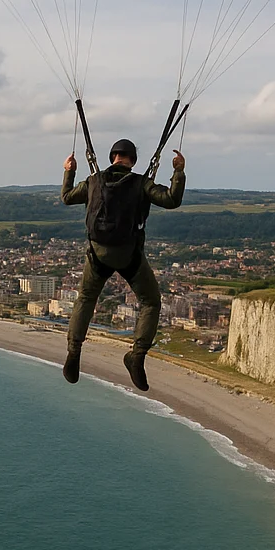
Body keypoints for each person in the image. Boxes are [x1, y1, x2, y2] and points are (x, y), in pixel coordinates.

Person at [60, 138, 186, 391]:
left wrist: (69, 171)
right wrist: (178, 171)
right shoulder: (141, 183)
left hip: (97, 255)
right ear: (133, 161)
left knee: (86, 298)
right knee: (150, 301)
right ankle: (136, 355)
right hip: (129, 256)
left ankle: (74, 352)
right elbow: (172, 200)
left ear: (112, 157)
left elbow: (66, 197)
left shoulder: (93, 181)